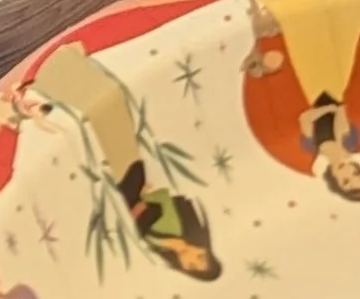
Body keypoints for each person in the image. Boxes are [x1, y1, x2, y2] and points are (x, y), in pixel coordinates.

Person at [25, 41, 220, 277]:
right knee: (111, 108)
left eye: (191, 265)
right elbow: (162, 202)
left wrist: (145, 212)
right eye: (200, 256)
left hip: (116, 191)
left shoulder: (155, 250)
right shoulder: (182, 227)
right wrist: (148, 206)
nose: (191, 256)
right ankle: (60, 71)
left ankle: (55, 76)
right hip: (133, 180)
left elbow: (133, 223)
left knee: (101, 119)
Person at [243, 0, 360, 202]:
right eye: (357, 174)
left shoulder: (312, 147)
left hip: (312, 88)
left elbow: (307, 118)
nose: (348, 173)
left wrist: (325, 114)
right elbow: (333, 113)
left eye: (346, 180)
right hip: (334, 85)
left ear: (335, 180)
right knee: (330, 36)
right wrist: (328, 114)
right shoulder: (350, 138)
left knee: (306, 37)